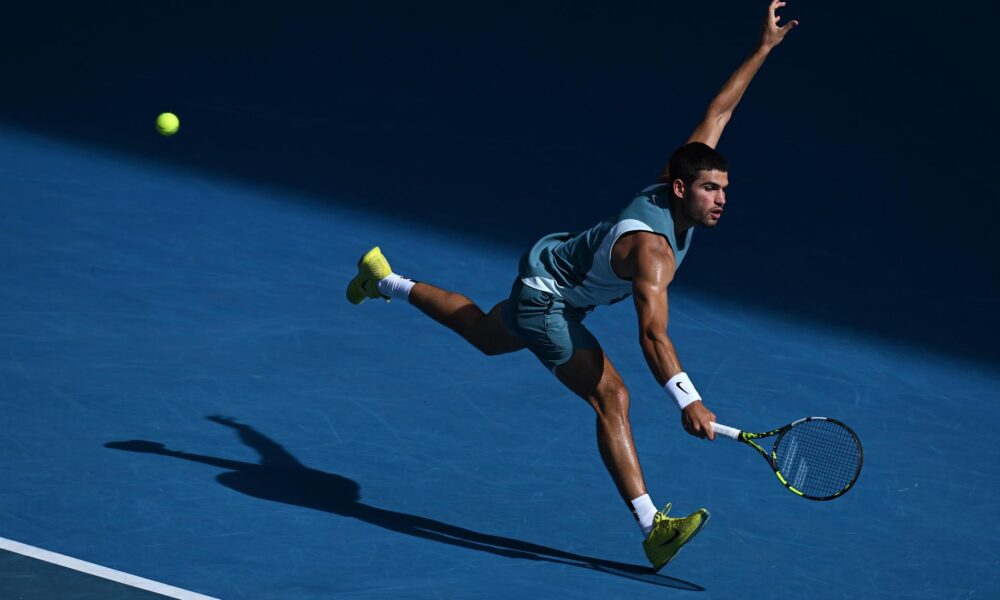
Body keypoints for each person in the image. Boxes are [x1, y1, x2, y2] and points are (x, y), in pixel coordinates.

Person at [346, 0, 798, 572]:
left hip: (554, 271)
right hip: (549, 300)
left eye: (725, 189)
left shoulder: (674, 179)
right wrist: (689, 400)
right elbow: (653, 338)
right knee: (613, 397)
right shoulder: (653, 252)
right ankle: (653, 528)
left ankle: (384, 279)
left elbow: (720, 110)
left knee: (486, 335)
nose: (722, 199)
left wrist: (761, 49)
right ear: (682, 190)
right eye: (711, 189)